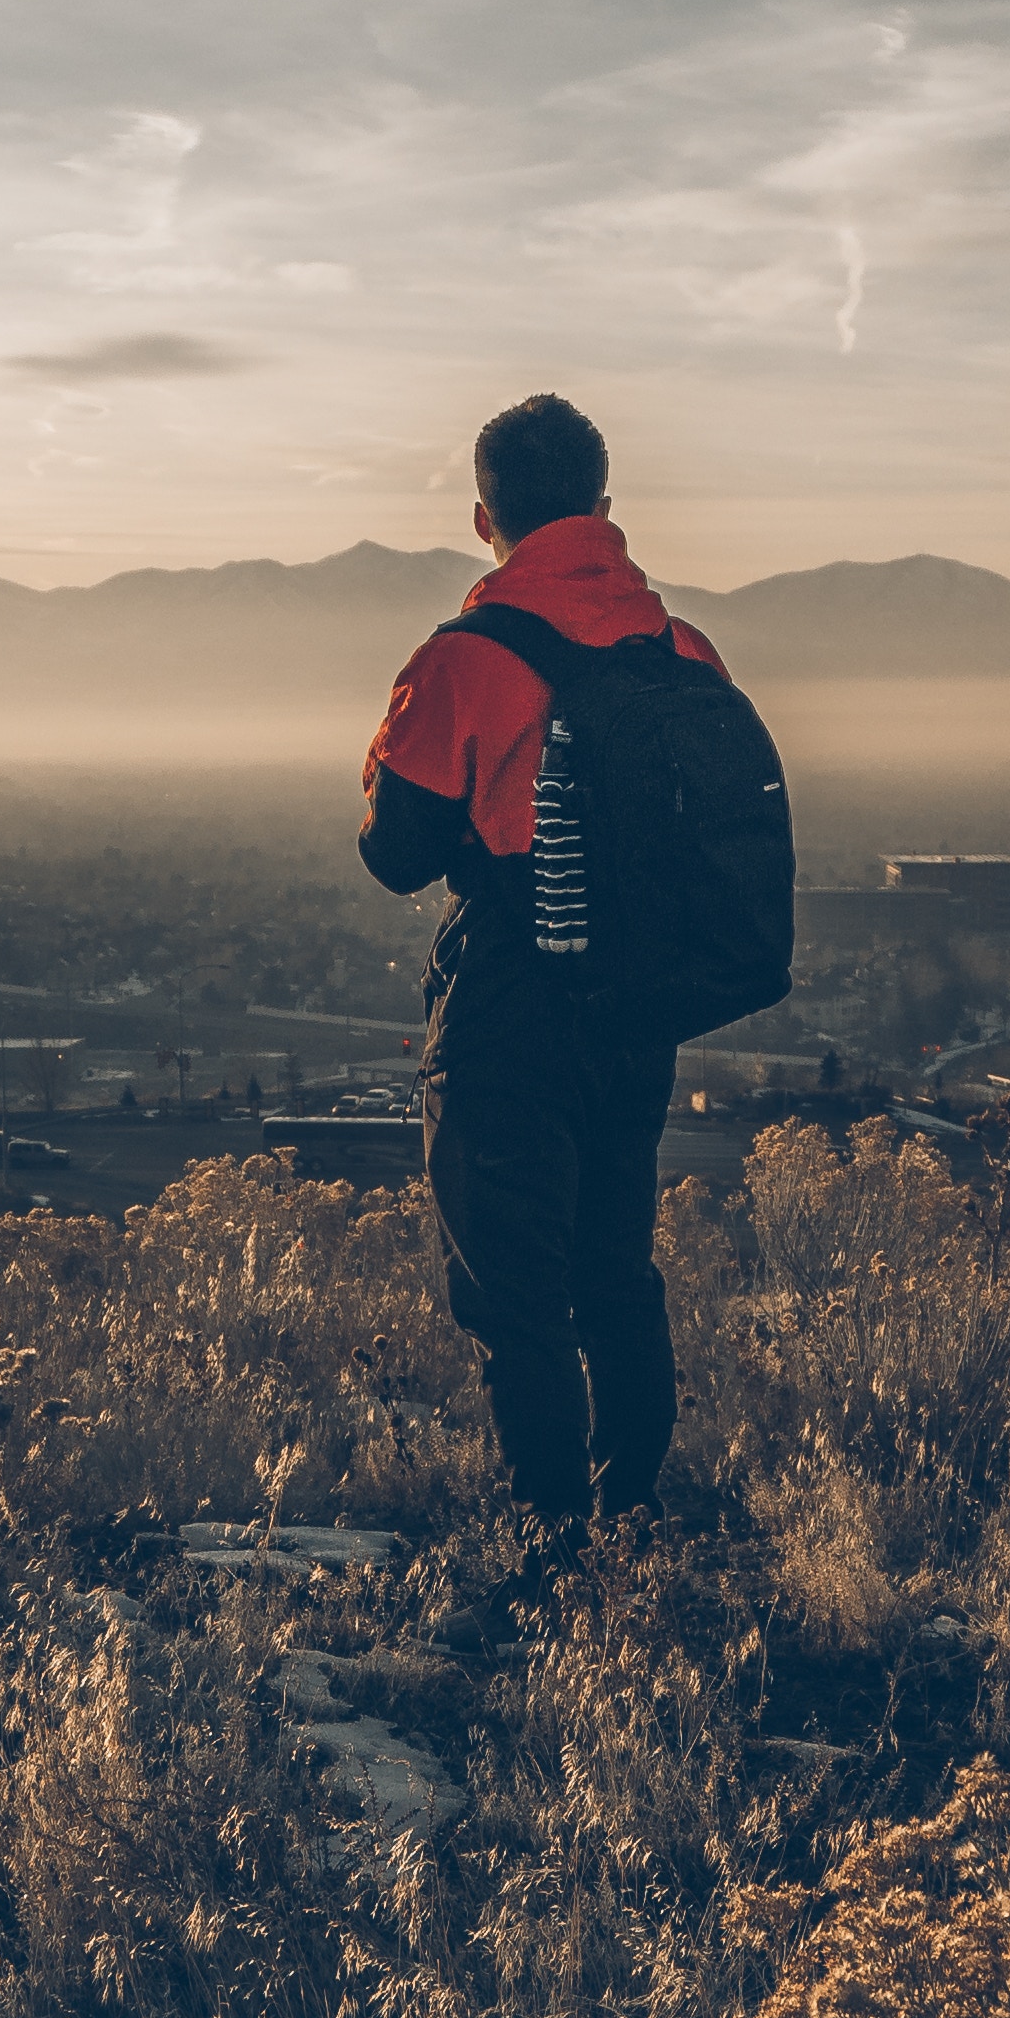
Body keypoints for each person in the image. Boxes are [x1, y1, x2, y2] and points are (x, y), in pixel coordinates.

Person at [355, 391, 733, 1548]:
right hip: (635, 1003)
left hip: (514, 999)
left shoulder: (467, 661)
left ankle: (557, 1548)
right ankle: (633, 1520)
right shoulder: (683, 652)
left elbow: (396, 853)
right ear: (606, 510)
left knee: (513, 1291)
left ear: (485, 519)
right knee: (615, 1264)